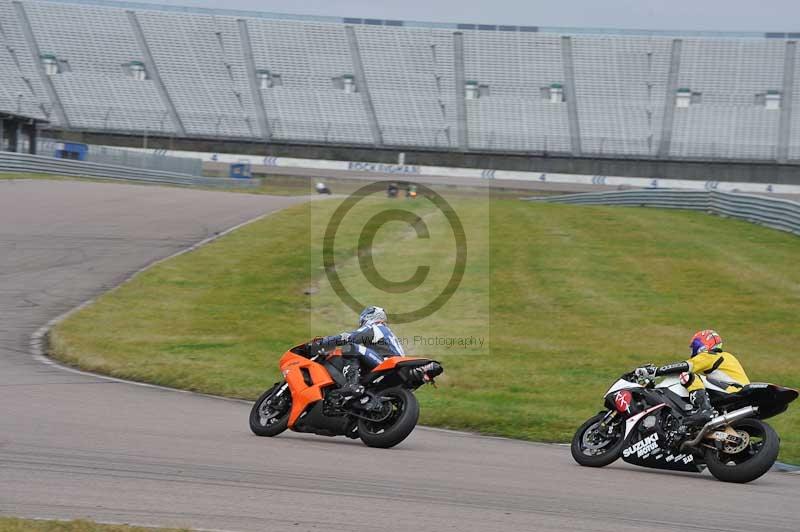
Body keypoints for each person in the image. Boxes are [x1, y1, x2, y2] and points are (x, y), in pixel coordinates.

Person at [634, 329, 751, 426]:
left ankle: (705, 409)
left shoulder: (711, 355)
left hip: (732, 390)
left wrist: (655, 371)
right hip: (735, 392)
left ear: (705, 345)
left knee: (688, 376)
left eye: (695, 345)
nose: (693, 350)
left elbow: (685, 366)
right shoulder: (724, 358)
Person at [312, 306, 405, 396]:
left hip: (386, 362)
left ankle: (352, 384)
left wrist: (325, 341)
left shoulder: (375, 327)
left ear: (368, 317)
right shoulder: (387, 332)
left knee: (350, 348)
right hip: (395, 366)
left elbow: (350, 337)